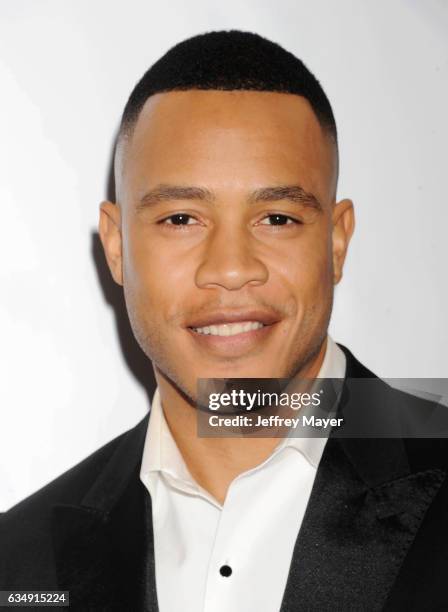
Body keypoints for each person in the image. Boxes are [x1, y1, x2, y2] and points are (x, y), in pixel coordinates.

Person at [1, 30, 447, 612]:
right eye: (182, 218)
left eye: (278, 218)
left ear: (336, 242)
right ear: (116, 247)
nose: (232, 270)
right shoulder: (20, 564)